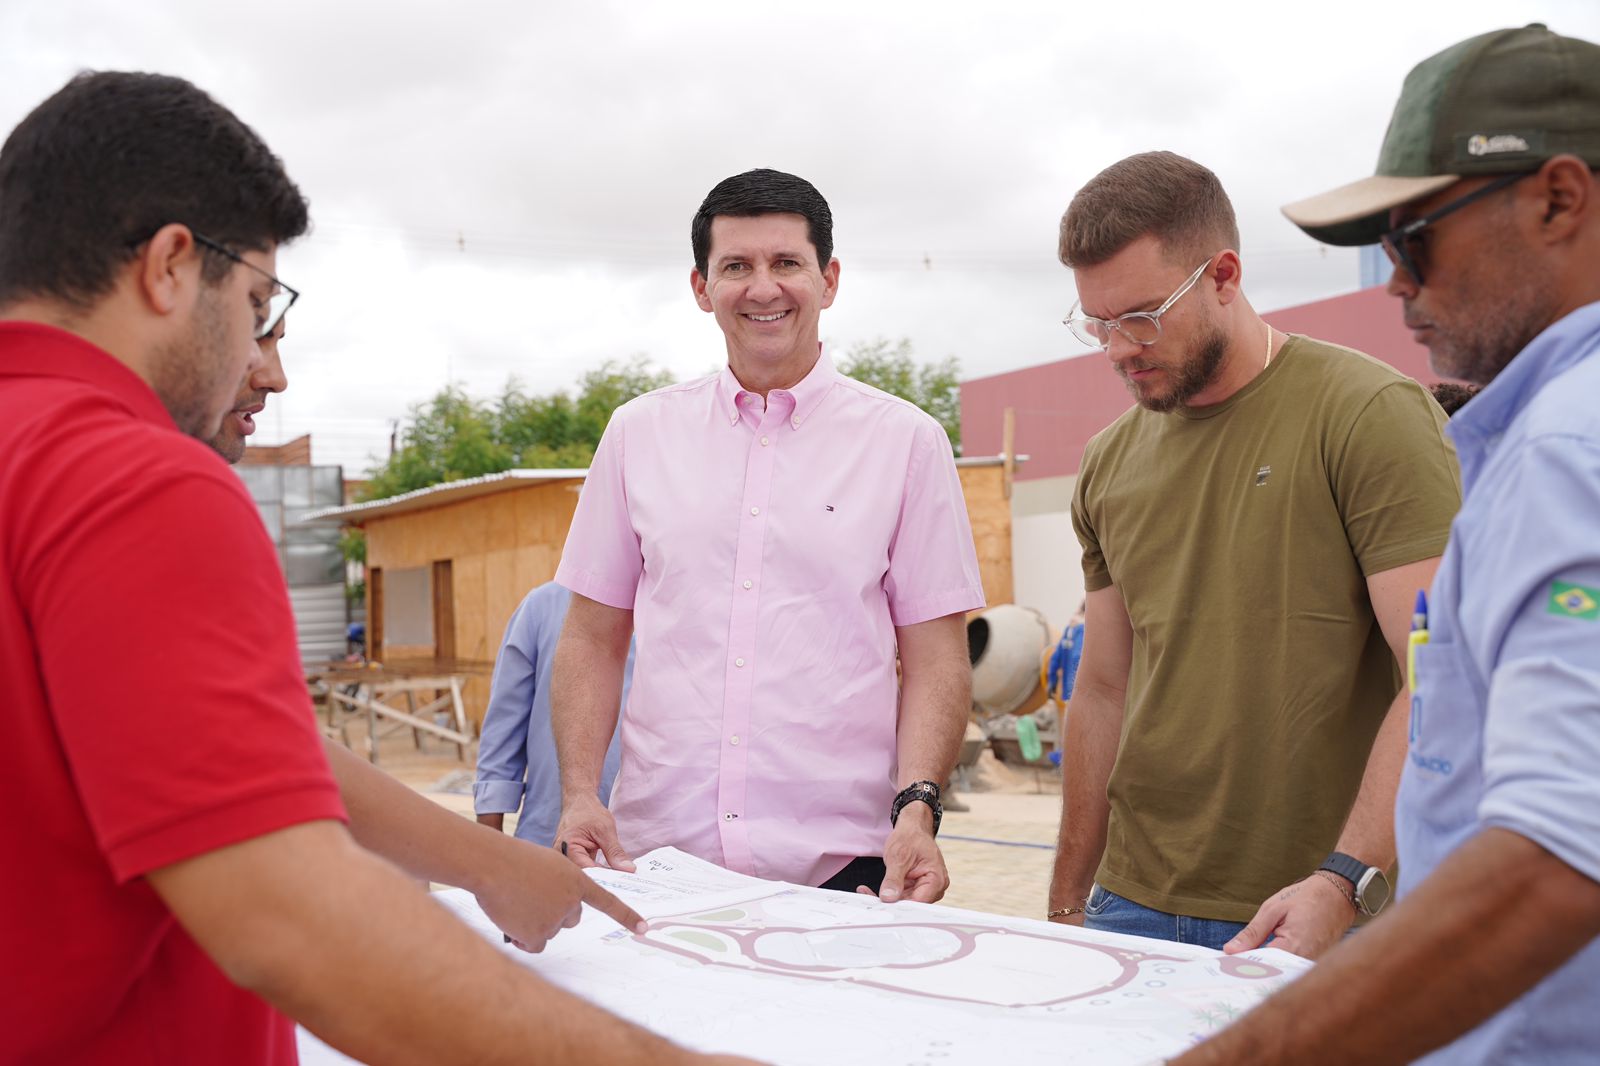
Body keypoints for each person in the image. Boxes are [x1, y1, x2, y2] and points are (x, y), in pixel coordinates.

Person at [0, 70, 746, 1066]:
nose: (264, 362)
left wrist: (481, 860)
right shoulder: (132, 478)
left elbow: (220, 761)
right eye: (258, 304)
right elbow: (291, 914)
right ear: (172, 265)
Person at [1173, 24, 1600, 1064]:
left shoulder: (1568, 444)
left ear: (1557, 198)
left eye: (1414, 240)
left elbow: (1559, 854)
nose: (1396, 285)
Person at [1045, 151, 1460, 958]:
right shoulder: (1107, 461)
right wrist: (1067, 904)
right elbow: (1102, 689)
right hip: (1129, 904)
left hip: (1319, 910)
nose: (1116, 348)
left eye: (1139, 316)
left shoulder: (1369, 414)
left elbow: (1441, 670)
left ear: (1223, 275)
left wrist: (1345, 883)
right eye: (1096, 322)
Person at [551, 168, 983, 902]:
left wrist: (920, 810)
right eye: (736, 267)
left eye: (787, 263)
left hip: (846, 871)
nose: (763, 288)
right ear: (700, 286)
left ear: (830, 278)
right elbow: (592, 636)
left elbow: (936, 658)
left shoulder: (907, 443)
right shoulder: (637, 435)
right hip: (655, 864)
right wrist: (580, 793)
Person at [476, 581, 632, 845]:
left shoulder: (679, 613)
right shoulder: (542, 606)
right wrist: (488, 848)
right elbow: (503, 730)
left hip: (656, 848)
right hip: (551, 835)